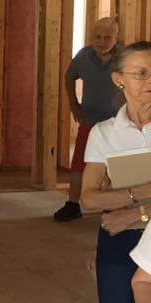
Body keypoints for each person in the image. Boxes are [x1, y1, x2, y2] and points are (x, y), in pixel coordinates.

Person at [71, 41, 151, 303]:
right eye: (140, 74)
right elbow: (88, 200)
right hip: (120, 235)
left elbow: (109, 200)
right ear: (119, 80)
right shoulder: (104, 133)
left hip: (134, 225)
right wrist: (143, 193)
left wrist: (133, 211)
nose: (150, 83)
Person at [56, 18, 122, 222]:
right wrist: (73, 104)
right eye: (98, 37)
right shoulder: (84, 55)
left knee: (117, 167)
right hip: (90, 120)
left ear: (116, 38)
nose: (102, 42)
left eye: (107, 37)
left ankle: (114, 205)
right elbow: (69, 77)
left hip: (118, 123)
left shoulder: (125, 57)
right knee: (79, 164)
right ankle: (72, 204)